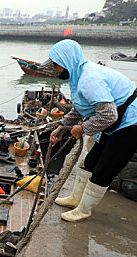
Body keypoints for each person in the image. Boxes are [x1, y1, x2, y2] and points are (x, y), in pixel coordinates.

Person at [41, 39, 137, 222]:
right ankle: (75, 199)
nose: (54, 69)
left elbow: (108, 116)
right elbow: (80, 107)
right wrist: (62, 126)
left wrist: (82, 129)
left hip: (130, 123)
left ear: (67, 62)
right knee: (90, 161)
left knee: (104, 169)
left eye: (56, 65)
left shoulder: (89, 80)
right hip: (116, 120)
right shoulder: (78, 75)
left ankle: (84, 210)